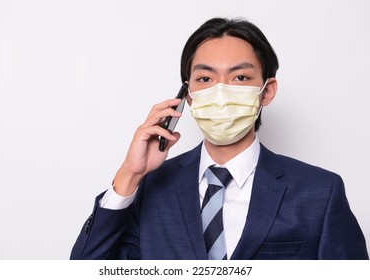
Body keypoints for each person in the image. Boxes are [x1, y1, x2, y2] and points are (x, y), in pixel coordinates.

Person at [70, 17, 368, 260]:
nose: (221, 92)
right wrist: (129, 175)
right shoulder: (149, 190)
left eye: (240, 78)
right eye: (205, 79)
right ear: (187, 95)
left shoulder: (320, 192)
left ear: (267, 91)